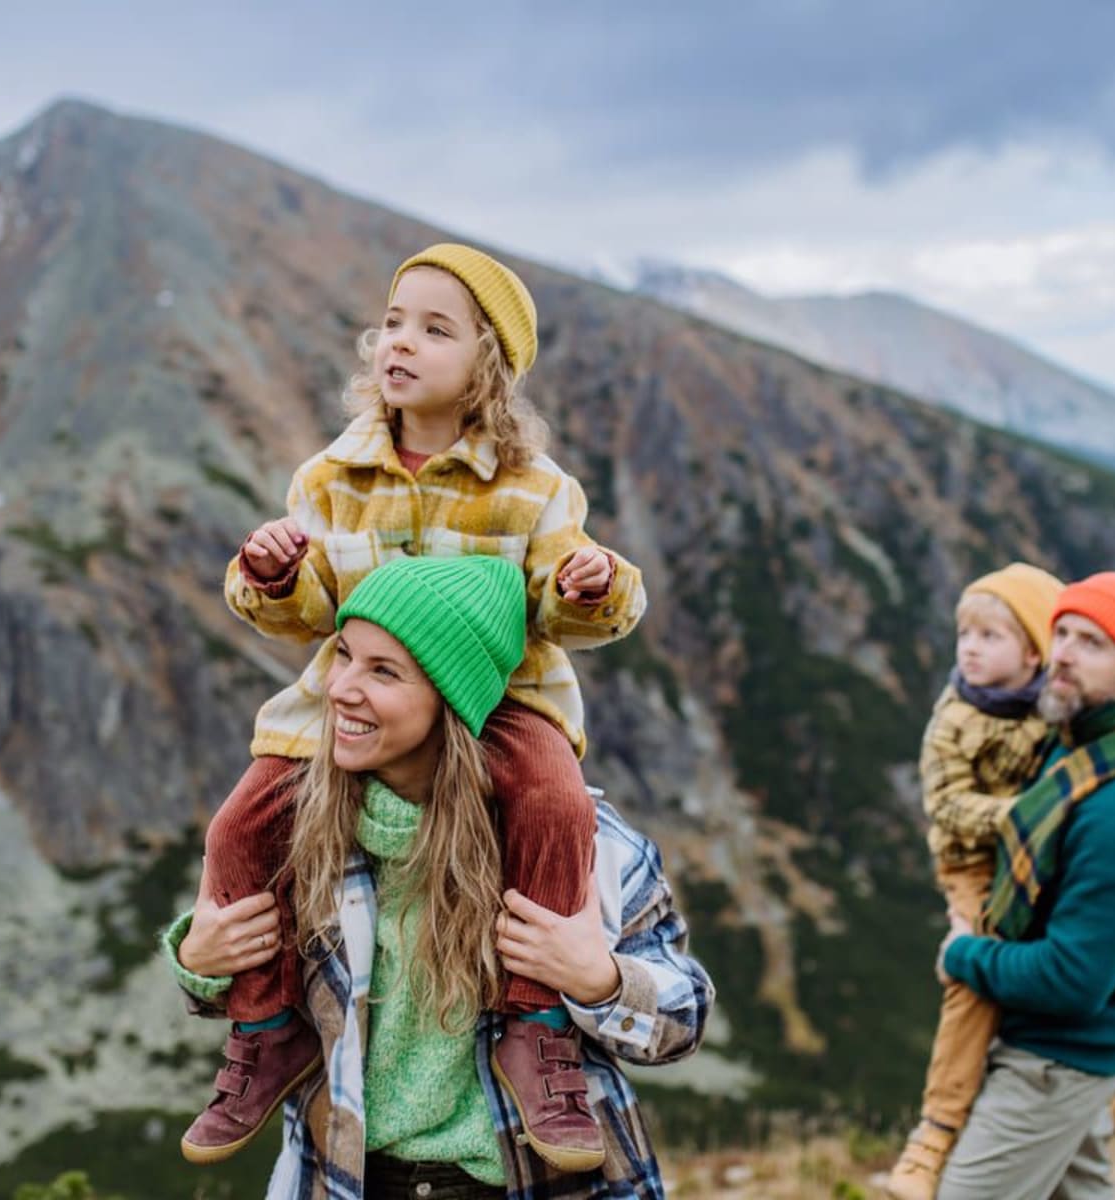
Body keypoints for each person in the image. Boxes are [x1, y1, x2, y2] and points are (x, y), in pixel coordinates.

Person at [185, 244, 646, 1165]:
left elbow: (564, 608)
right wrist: (273, 576)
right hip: (352, 696)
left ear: (490, 366)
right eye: (393, 322)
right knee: (241, 822)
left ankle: (537, 1021)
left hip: (498, 703)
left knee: (553, 801)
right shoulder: (328, 478)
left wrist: (591, 586)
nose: (401, 343)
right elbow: (307, 611)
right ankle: (266, 1023)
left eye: (437, 329)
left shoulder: (536, 488)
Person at [163, 554, 711, 1198]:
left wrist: (600, 980)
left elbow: (685, 1018)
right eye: (344, 655)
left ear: (451, 698)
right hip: (346, 1183)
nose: (339, 689)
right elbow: (244, 995)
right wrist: (200, 962)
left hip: (534, 1184)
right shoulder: (295, 831)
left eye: (384, 671)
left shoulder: (582, 841)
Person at [883, 565, 1115, 1198]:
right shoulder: (1080, 741)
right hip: (1064, 1050)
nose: (1062, 655)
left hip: (1056, 1058)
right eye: (1062, 633)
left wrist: (964, 953)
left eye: (1092, 644)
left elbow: (1071, 982)